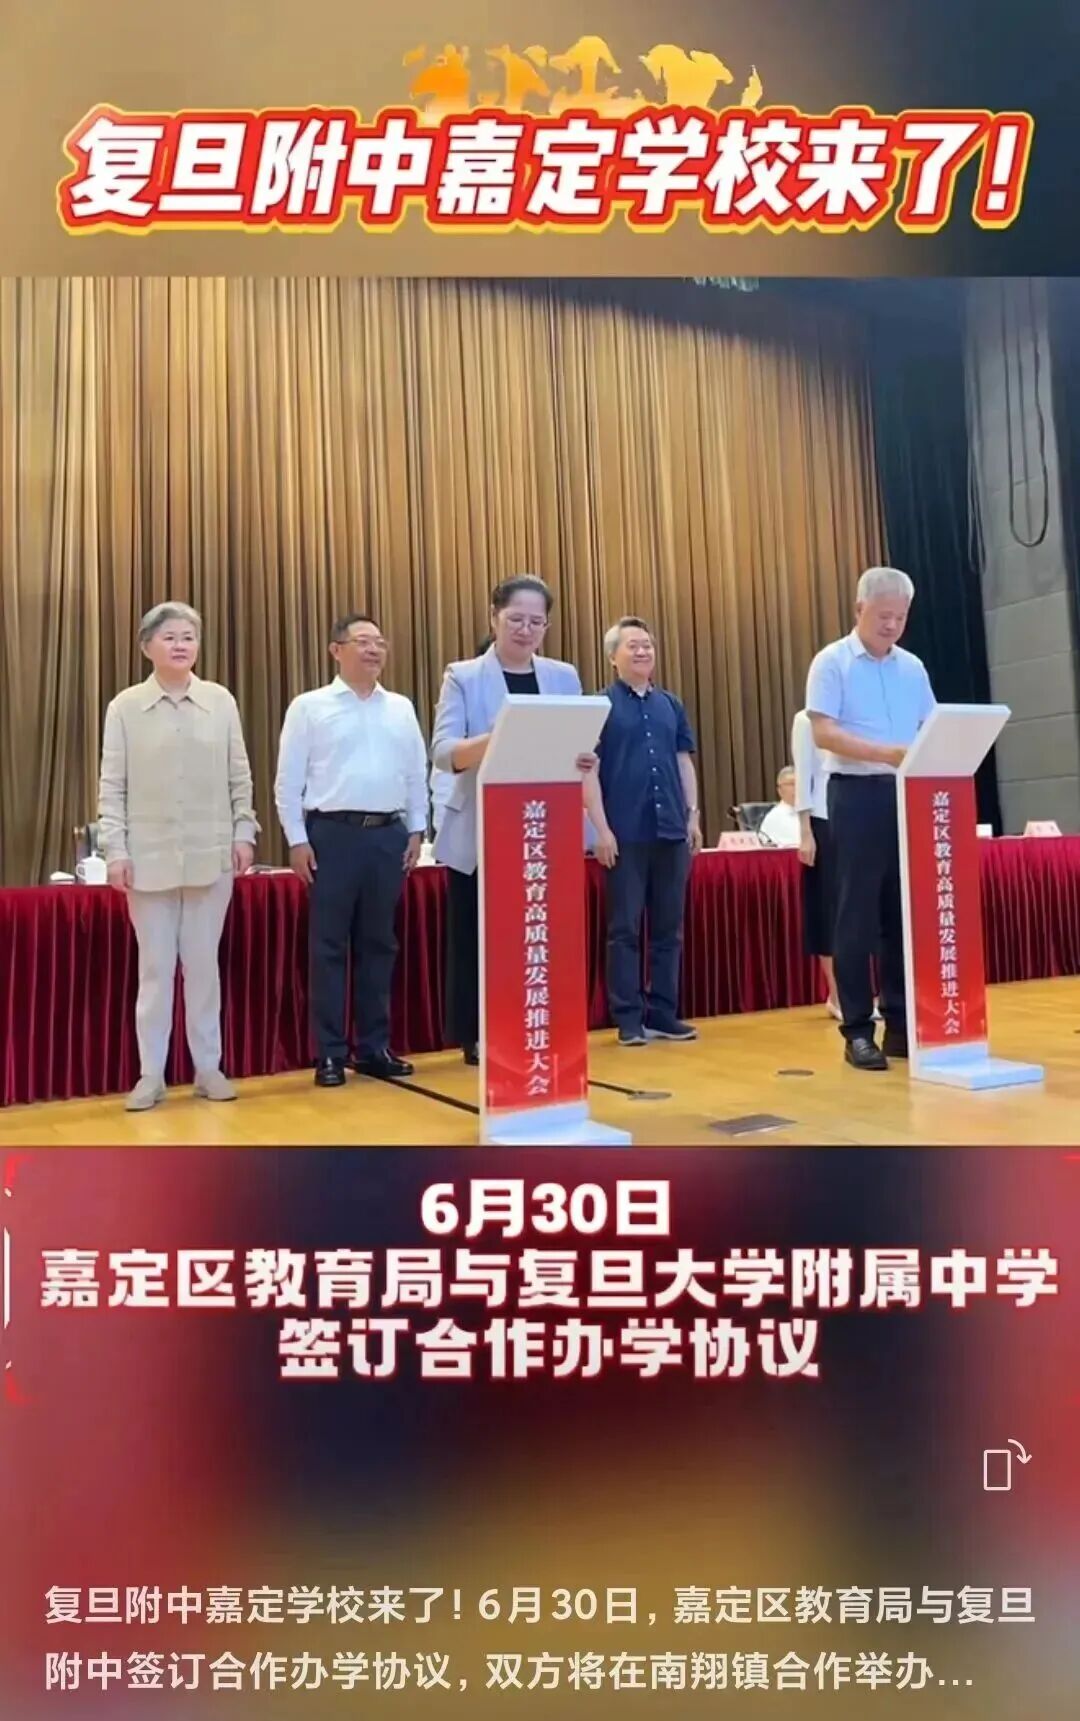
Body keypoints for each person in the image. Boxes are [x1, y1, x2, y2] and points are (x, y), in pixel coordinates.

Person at [97, 601, 258, 1112]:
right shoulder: (125, 707)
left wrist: (244, 832)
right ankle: (151, 1074)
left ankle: (208, 1068)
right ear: (147, 646)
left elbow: (239, 775)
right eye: (169, 637)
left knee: (204, 968)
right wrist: (116, 850)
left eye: (189, 636)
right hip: (148, 861)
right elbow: (112, 786)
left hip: (211, 858)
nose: (181, 645)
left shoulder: (220, 701)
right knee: (155, 970)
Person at [430, 578, 595, 1065]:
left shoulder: (563, 676)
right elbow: (444, 753)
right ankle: (477, 1032)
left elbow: (578, 746)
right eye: (515, 619)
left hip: (543, 828)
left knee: (537, 938)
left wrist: (582, 755)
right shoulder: (463, 676)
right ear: (494, 618)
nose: (526, 629)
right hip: (483, 829)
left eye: (536, 621)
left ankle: (536, 1026)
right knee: (478, 936)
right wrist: (505, 733)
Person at [274, 613, 428, 1088]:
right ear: (335, 650)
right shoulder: (309, 707)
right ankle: (329, 1053)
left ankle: (374, 1047)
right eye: (362, 641)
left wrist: (416, 830)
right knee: (329, 946)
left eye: (379, 641)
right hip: (332, 836)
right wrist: (296, 838)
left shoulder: (400, 707)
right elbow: (288, 780)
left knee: (380, 944)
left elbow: (415, 772)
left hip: (388, 835)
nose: (373, 649)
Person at [805, 566, 936, 1070]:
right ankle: (858, 1029)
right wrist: (887, 753)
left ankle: (900, 1024)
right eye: (883, 616)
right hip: (855, 794)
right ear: (859, 609)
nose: (892, 626)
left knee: (902, 912)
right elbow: (824, 733)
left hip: (906, 793)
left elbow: (929, 725)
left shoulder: (913, 667)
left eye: (900, 617)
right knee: (855, 914)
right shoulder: (832, 662)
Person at [588, 617, 702, 1047]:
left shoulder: (671, 704)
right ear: (612, 657)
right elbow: (589, 770)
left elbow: (683, 761)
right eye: (633, 645)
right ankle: (628, 1017)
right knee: (624, 929)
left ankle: (663, 1013)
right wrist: (601, 828)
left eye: (647, 645)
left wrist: (692, 816)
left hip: (671, 829)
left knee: (669, 928)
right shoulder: (598, 706)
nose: (642, 652)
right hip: (625, 832)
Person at [758, 766, 801, 848]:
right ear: (780, 790)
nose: (797, 788)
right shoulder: (773, 817)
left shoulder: (813, 813)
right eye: (792, 784)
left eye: (800, 783)